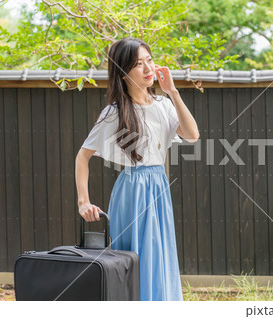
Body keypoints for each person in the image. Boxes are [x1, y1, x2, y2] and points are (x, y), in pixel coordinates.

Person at [75, 37, 199, 301]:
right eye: (138, 64)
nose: (147, 69)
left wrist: (173, 92)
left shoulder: (164, 106)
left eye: (149, 61)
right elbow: (82, 156)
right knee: (133, 257)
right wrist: (83, 201)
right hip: (131, 190)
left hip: (158, 186)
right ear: (122, 73)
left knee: (160, 254)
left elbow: (192, 135)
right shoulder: (114, 113)